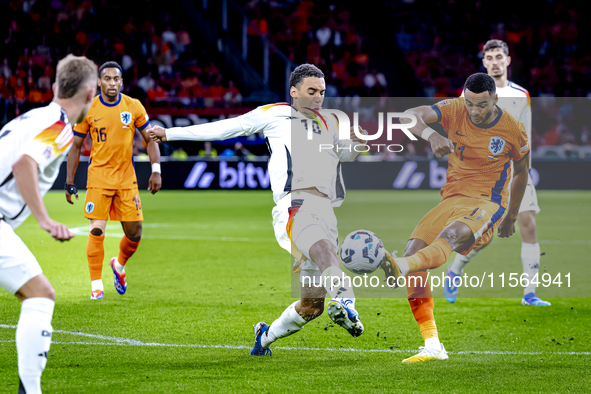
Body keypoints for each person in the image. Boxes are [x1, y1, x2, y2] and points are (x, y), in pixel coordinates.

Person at [148, 64, 369, 355]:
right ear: (294, 92)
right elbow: (227, 128)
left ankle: (263, 338)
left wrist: (358, 144)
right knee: (326, 250)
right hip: (295, 204)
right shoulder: (277, 113)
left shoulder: (329, 122)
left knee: (312, 306)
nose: (318, 98)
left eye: (322, 93)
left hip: (325, 209)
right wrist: (171, 134)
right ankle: (348, 303)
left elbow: (342, 153)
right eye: (311, 91)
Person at [385, 73, 530, 362]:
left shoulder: (514, 129)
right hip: (451, 197)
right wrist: (432, 134)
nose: (474, 111)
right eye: (470, 104)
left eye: (482, 105)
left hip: (488, 201)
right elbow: (408, 116)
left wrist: (511, 216)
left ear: (495, 100)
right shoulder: (454, 109)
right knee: (415, 254)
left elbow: (522, 171)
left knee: (448, 237)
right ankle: (433, 345)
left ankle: (399, 265)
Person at [0, 54, 96, 394]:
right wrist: (45, 220)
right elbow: (25, 164)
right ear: (89, 95)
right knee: (41, 294)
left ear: (56, 87)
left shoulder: (33, 117)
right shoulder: (59, 128)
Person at [443, 40, 550, 306]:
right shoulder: (469, 95)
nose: (494, 61)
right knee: (482, 237)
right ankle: (455, 269)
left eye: (499, 56)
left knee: (528, 225)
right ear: (484, 62)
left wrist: (526, 169)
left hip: (515, 171)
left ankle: (530, 294)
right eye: (489, 57)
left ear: (508, 60)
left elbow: (525, 134)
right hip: (485, 176)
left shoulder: (522, 95)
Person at [65, 61, 162, 300]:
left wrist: (156, 169)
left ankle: (118, 266)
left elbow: (150, 139)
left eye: (116, 79)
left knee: (135, 233)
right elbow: (76, 146)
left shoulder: (134, 106)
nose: (112, 83)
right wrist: (69, 181)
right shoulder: (88, 108)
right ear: (99, 82)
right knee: (96, 230)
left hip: (126, 180)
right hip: (98, 178)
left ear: (121, 81)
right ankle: (96, 285)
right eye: (107, 79)